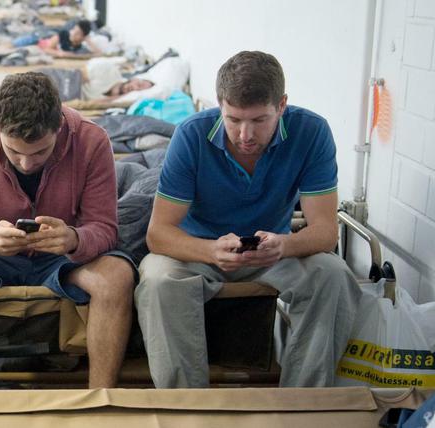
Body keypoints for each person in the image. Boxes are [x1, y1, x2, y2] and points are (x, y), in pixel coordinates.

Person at [136, 51, 361, 388]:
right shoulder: (190, 134)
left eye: (259, 120)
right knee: (157, 279)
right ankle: (186, 408)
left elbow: (326, 233)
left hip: (272, 253)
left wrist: (284, 245)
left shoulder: (312, 132)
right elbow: (159, 235)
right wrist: (210, 251)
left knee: (333, 275)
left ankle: (303, 407)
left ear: (281, 106)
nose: (244, 135)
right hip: (199, 251)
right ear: (219, 105)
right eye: (233, 119)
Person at [0, 72, 137, 389]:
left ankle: (100, 401)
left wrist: (74, 238)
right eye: (14, 152)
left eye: (39, 152)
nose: (26, 163)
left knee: (118, 276)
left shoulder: (92, 141)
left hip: (62, 255)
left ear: (59, 127)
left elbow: (105, 228)